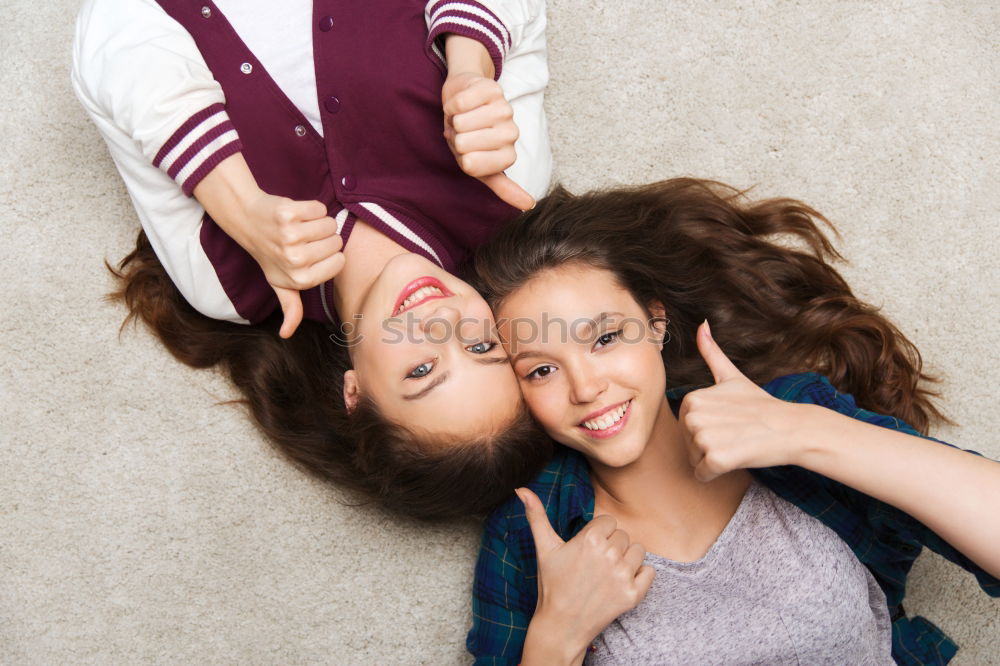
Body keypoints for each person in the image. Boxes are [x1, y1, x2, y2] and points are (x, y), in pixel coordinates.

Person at [466, 180, 1000, 664]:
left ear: (656, 323)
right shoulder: (532, 529)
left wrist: (806, 433)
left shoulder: (789, 415)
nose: (585, 388)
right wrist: (557, 636)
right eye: (541, 370)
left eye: (605, 338)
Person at [71, 0, 553, 519]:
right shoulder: (510, 187)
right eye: (482, 344)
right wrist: (470, 67)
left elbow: (110, 27)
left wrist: (239, 205)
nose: (442, 324)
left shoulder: (226, 285)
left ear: (355, 393)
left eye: (421, 369)